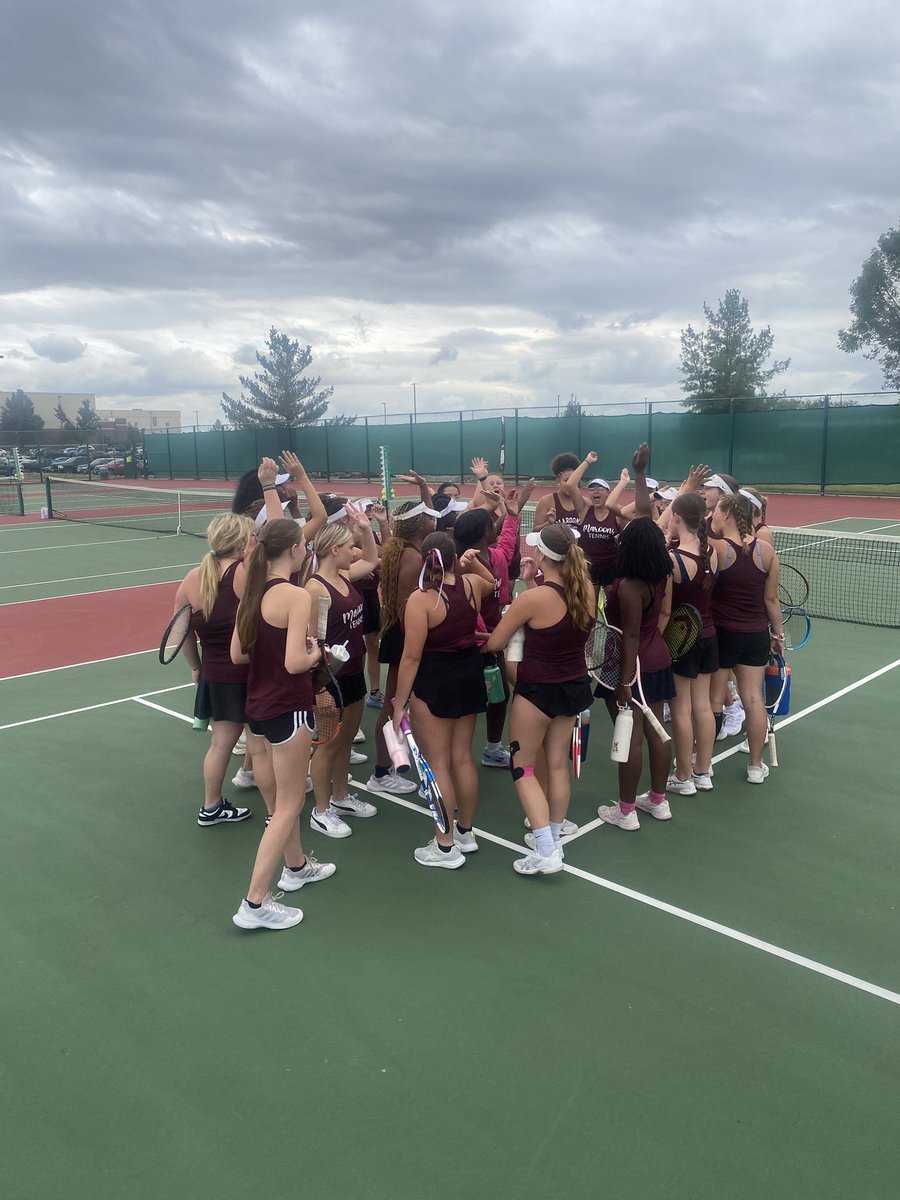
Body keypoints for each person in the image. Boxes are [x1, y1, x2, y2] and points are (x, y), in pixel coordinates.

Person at [230, 518, 335, 931]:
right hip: (289, 709)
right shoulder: (294, 595)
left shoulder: (252, 593)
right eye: (304, 544)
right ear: (293, 549)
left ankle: (296, 867)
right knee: (290, 804)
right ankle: (254, 904)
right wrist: (316, 653)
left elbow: (239, 655)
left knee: (281, 801)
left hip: (257, 708)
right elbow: (295, 663)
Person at [485, 523, 594, 875]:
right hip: (573, 686)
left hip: (536, 692)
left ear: (544, 556)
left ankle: (547, 850)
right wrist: (533, 581)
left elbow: (494, 643)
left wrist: (525, 587)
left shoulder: (531, 599)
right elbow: (555, 611)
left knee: (524, 767)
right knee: (558, 763)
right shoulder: (587, 590)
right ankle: (554, 835)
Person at [393, 532, 493, 868]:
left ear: (425, 559)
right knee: (462, 757)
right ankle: (465, 831)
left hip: (435, 683)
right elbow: (491, 581)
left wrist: (398, 704)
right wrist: (472, 559)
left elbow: (410, 659)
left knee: (438, 764)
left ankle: (445, 845)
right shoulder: (470, 586)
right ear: (453, 558)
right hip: (468, 676)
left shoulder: (420, 601)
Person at [174, 512, 256, 826]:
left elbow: (182, 635)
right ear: (240, 542)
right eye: (251, 535)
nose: (254, 540)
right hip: (249, 672)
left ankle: (211, 806)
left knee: (220, 743)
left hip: (215, 674)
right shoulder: (246, 572)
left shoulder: (191, 578)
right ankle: (277, 812)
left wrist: (197, 668)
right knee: (260, 747)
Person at [304, 508, 380, 837]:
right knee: (329, 745)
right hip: (328, 681)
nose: (355, 551)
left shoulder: (345, 577)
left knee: (346, 741)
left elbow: (374, 561)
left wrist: (364, 528)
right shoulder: (316, 590)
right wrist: (320, 677)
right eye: (350, 546)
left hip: (353, 673)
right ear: (334, 550)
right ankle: (321, 811)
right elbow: (308, 642)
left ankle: (340, 797)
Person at [708, 493, 785, 784]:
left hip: (722, 633)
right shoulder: (766, 551)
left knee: (714, 699)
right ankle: (755, 766)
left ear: (726, 513)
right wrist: (777, 634)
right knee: (753, 699)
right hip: (755, 635)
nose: (712, 514)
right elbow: (771, 599)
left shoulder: (715, 548)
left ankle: (704, 763)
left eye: (716, 509)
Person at [367, 498, 437, 794]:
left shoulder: (406, 550)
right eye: (429, 518)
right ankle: (382, 772)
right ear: (420, 524)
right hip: (407, 636)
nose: (435, 521)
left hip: (401, 634)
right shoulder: (413, 557)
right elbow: (411, 607)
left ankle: (389, 767)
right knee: (395, 705)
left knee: (398, 704)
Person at [452, 497, 521, 768]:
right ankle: (451, 755)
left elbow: (507, 540)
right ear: (482, 533)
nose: (496, 525)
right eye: (491, 524)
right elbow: (466, 604)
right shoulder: (464, 564)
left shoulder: (496, 557)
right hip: (472, 640)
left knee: (499, 693)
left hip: (493, 638)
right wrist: (484, 637)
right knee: (465, 702)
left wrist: (513, 516)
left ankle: (492, 749)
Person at [665, 492, 720, 795]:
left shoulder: (674, 560)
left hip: (682, 639)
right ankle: (703, 771)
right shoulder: (712, 552)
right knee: (703, 706)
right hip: (709, 636)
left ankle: (683, 776)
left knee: (682, 708)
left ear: (676, 518)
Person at [533, 453, 583, 530]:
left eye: (573, 480)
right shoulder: (546, 502)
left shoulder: (585, 503)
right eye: (566, 480)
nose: (569, 484)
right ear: (557, 480)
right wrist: (549, 523)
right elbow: (535, 531)